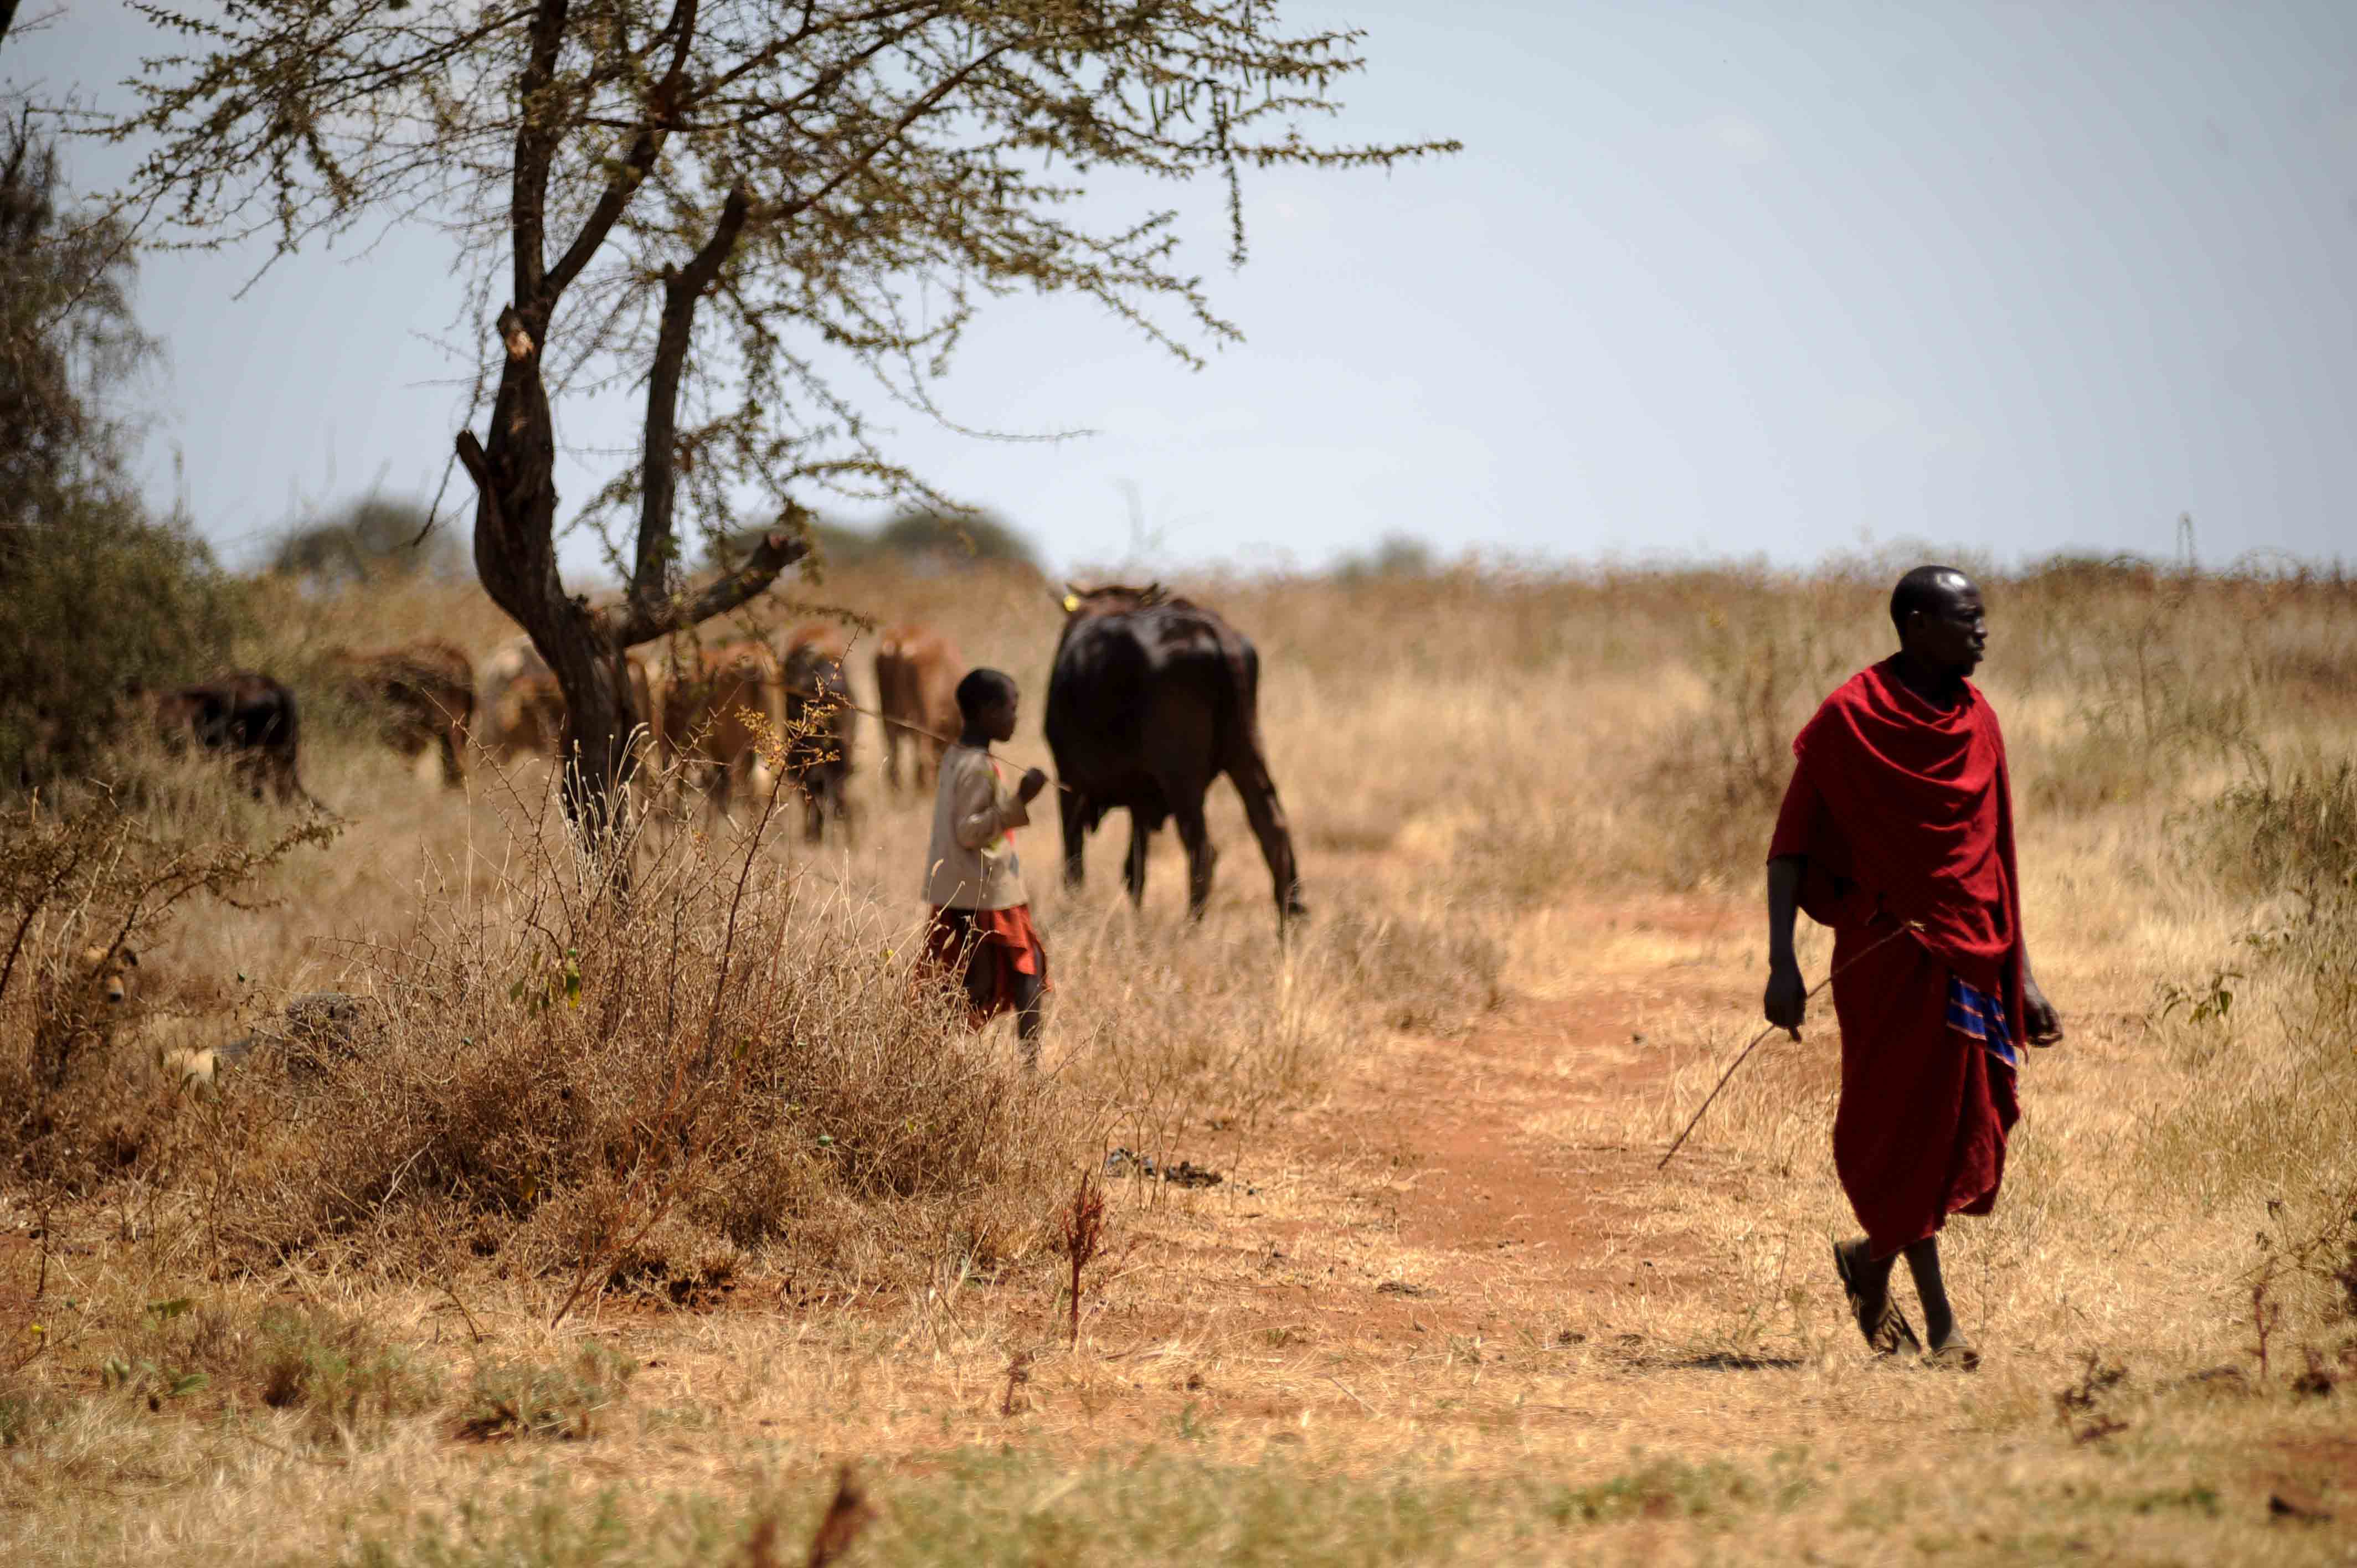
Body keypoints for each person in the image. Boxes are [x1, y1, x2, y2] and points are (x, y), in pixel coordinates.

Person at [1763, 565, 2063, 1369]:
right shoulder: (1851, 717)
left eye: (1983, 618)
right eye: (1969, 619)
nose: (1983, 632)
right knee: (1904, 1126)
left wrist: (2024, 978)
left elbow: (1997, 858)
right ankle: (1942, 1328)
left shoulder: (1980, 722)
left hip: (1975, 957)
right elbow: (1790, 849)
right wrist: (1780, 965)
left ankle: (1868, 1264)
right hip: (1884, 955)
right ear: (1919, 623)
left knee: (1950, 1128)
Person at [923, 668, 1052, 1062]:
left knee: (972, 982)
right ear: (987, 711)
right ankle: (1030, 1070)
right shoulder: (977, 766)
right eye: (1011, 709)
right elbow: (968, 831)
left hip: (959, 887)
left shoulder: (955, 757)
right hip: (987, 890)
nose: (1015, 718)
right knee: (1027, 970)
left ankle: (927, 1057)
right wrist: (1021, 801)